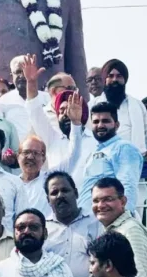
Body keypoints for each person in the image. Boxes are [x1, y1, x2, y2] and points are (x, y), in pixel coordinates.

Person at [23, 54, 96, 183]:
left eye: (70, 109)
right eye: (61, 111)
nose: (65, 114)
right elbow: (34, 109)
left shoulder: (95, 141)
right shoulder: (52, 138)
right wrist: (31, 83)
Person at [79, 102, 144, 214]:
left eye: (105, 121)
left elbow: (128, 186)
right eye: (95, 122)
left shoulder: (123, 148)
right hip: (89, 222)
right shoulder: (94, 152)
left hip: (110, 222)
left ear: (116, 125)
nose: (100, 125)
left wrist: (121, 222)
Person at [44, 172, 104, 277]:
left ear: (76, 193)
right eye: (54, 193)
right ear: (48, 200)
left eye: (65, 190)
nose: (60, 195)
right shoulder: (43, 228)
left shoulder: (96, 223)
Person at [91, 177, 147, 277]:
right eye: (96, 201)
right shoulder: (109, 230)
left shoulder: (131, 230)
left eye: (107, 199)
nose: (100, 205)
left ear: (123, 201)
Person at [99, 59, 147, 160]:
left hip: (133, 160)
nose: (114, 80)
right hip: (104, 161)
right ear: (104, 79)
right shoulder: (93, 106)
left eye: (119, 76)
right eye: (110, 76)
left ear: (125, 80)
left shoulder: (138, 105)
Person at [0, 55, 51, 141]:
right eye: (17, 72)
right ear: (11, 77)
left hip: (45, 150)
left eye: (25, 71)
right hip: (16, 152)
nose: (22, 75)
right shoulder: (2, 102)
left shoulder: (47, 98)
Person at [16, 136, 51, 216]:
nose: (30, 157)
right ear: (18, 157)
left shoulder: (50, 180)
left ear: (43, 159)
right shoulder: (12, 184)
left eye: (36, 153)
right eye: (26, 152)